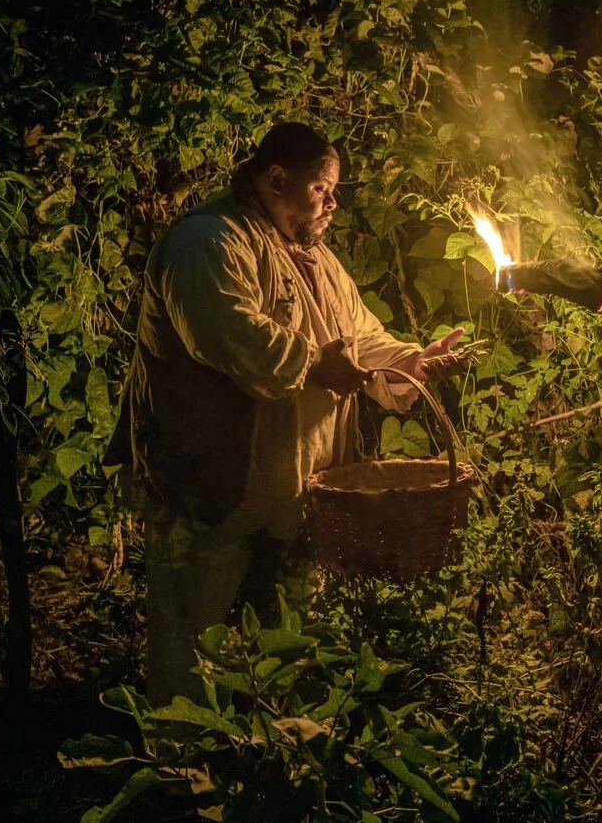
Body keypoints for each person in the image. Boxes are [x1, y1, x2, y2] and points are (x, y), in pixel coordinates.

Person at [110, 123, 469, 704]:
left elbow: (360, 339)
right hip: (210, 491)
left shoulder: (317, 260)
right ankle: (182, 777)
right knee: (191, 653)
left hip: (296, 498)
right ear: (276, 179)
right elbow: (229, 335)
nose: (333, 202)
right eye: (323, 188)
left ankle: (264, 771)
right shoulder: (208, 241)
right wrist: (315, 365)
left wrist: (414, 361)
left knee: (278, 653)